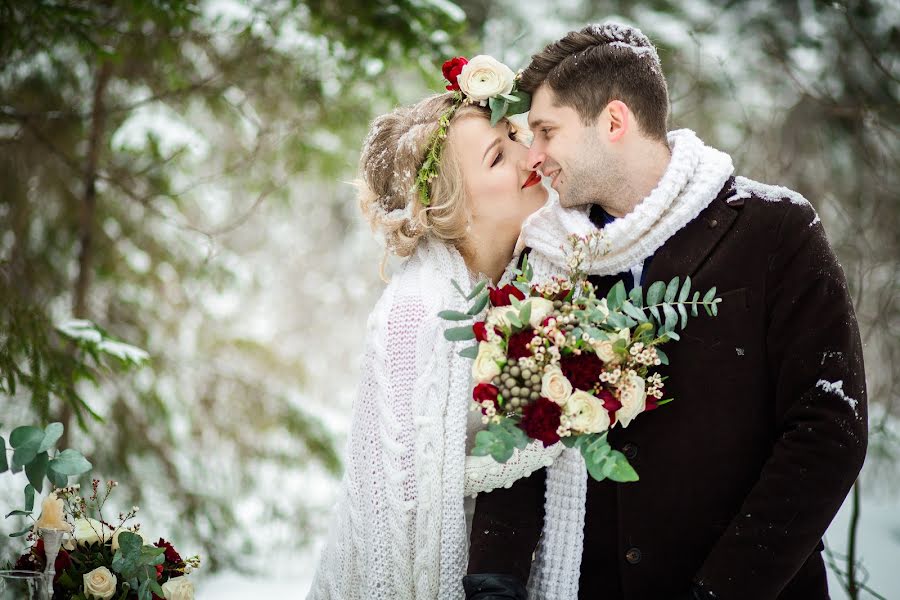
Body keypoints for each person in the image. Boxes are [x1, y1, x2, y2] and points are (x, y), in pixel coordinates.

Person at [465, 23, 868, 600]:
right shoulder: (549, 255)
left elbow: (829, 429)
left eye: (547, 131)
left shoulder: (774, 228)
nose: (535, 156)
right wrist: (493, 579)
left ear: (613, 121)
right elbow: (524, 427)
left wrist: (722, 591)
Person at [307, 56, 562, 600]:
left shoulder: (549, 274)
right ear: (449, 209)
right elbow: (398, 503)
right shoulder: (412, 315)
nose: (528, 156)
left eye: (514, 135)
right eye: (498, 157)